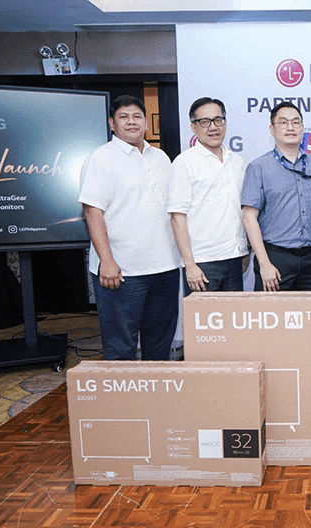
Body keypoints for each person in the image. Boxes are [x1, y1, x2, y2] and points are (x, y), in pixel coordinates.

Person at [79, 95, 181, 360]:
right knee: (120, 346)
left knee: (159, 343)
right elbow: (92, 211)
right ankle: (122, 390)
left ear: (145, 122)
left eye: (137, 116)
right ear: (112, 124)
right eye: (123, 117)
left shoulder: (161, 157)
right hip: (122, 271)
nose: (131, 122)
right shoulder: (101, 158)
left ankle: (155, 387)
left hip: (165, 267)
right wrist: (107, 261)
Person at [241, 102, 311, 291]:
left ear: (302, 128)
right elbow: (248, 217)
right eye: (283, 122)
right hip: (275, 260)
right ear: (272, 129)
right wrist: (264, 263)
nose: (290, 127)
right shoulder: (259, 167)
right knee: (272, 311)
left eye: (296, 122)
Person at [168, 97, 248, 293]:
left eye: (218, 120)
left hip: (234, 257)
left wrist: (245, 251)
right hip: (202, 262)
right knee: (202, 314)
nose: (213, 127)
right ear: (193, 127)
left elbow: (242, 210)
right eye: (205, 122)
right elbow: (177, 217)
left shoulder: (237, 162)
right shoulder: (184, 163)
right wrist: (190, 265)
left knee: (233, 314)